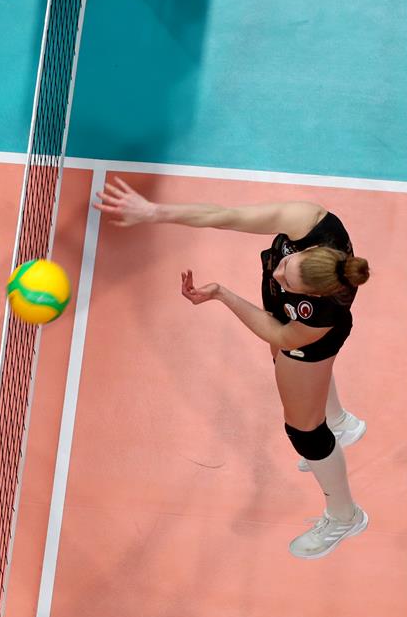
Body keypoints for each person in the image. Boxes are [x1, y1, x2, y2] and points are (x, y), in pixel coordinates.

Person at [94, 180, 370, 559]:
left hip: (308, 340)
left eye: (289, 282)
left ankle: (345, 516)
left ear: (315, 295)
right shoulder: (309, 221)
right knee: (298, 380)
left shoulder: (325, 311)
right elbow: (226, 215)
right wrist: (153, 211)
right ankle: (340, 424)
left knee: (304, 431)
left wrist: (222, 294)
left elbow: (280, 334)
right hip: (287, 320)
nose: (279, 275)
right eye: (285, 265)